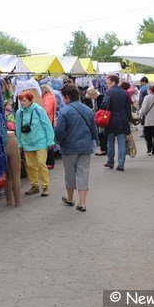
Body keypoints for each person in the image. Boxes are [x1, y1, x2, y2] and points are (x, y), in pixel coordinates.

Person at [55, 84, 99, 212]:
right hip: (85, 147)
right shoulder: (87, 109)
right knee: (83, 174)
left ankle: (70, 198)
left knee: (69, 173)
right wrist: (95, 142)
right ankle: (83, 202)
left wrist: (59, 141)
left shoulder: (64, 111)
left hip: (69, 147)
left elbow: (59, 131)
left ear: (67, 97)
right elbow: (93, 128)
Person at [15, 90, 55, 196]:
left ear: (30, 100)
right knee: (30, 165)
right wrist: (19, 144)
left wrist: (50, 141)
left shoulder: (38, 110)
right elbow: (18, 129)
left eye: (24, 100)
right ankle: (35, 185)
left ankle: (45, 186)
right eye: (21, 101)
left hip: (41, 142)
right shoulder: (19, 112)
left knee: (41, 163)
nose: (22, 103)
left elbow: (47, 125)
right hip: (27, 143)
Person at [100, 75, 132, 171]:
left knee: (110, 142)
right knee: (121, 143)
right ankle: (121, 164)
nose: (107, 83)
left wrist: (101, 106)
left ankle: (110, 162)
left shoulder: (108, 92)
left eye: (108, 82)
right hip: (122, 120)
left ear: (113, 81)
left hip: (111, 120)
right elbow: (128, 108)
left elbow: (104, 105)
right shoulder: (124, 93)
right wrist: (128, 118)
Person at [83, 86, 107, 155]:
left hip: (101, 120)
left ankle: (104, 149)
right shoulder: (100, 98)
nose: (91, 99)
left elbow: (100, 110)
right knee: (101, 134)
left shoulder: (99, 99)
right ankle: (104, 149)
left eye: (91, 97)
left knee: (102, 134)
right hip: (102, 119)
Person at [41, 84, 57, 170]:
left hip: (48, 122)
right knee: (49, 142)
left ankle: (50, 162)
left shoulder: (48, 97)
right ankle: (50, 162)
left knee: (49, 143)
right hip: (50, 121)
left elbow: (47, 110)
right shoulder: (51, 96)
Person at [4, 129, 22, 206]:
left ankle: (8, 200)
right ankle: (18, 201)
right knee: (16, 175)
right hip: (11, 138)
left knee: (8, 176)